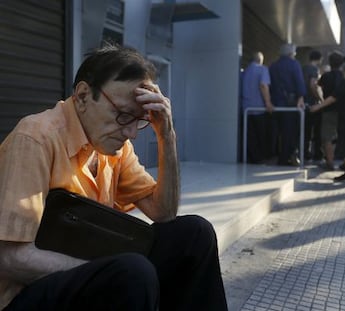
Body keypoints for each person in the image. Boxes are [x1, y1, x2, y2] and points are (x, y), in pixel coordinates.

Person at [0, 44, 228, 310]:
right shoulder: (36, 138)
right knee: (132, 272)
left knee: (194, 233)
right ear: (84, 96)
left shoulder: (115, 146)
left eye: (140, 119)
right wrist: (103, 273)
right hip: (23, 295)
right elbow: (9, 258)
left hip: (86, 271)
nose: (131, 132)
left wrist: (167, 135)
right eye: (122, 115)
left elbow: (163, 212)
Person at [269, 43, 306, 166]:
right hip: (290, 103)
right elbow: (299, 82)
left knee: (279, 130)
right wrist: (300, 98)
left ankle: (279, 155)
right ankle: (286, 158)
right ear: (291, 53)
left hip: (276, 103)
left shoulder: (273, 66)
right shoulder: (294, 64)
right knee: (290, 131)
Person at [241, 51, 273, 163]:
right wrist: (268, 102)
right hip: (259, 109)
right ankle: (260, 159)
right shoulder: (262, 69)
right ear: (261, 60)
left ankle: (251, 158)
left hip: (245, 109)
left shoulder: (244, 71)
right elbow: (263, 85)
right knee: (261, 135)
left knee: (250, 137)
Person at [316, 50, 344, 170]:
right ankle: (344, 161)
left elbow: (317, 86)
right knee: (342, 136)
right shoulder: (344, 76)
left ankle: (330, 162)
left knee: (327, 137)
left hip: (328, 109)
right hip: (343, 110)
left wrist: (321, 100)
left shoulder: (325, 76)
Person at [302, 50, 323, 162]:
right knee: (315, 130)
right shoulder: (314, 70)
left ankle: (304, 151)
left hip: (303, 102)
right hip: (312, 103)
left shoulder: (303, 68)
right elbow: (313, 85)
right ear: (319, 59)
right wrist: (320, 99)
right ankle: (315, 153)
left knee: (305, 130)